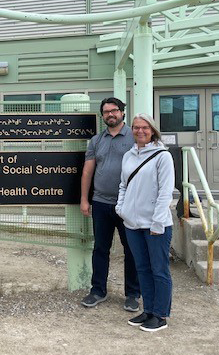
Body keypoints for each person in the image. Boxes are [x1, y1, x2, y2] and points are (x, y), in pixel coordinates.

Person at [79, 97, 141, 311]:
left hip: (128, 205)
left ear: (122, 112)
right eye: (106, 112)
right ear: (102, 115)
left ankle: (133, 294)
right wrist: (84, 199)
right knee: (100, 249)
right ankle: (97, 291)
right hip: (101, 203)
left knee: (132, 250)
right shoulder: (97, 141)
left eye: (114, 111)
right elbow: (88, 171)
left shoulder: (136, 136)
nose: (110, 115)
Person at [116, 113, 175, 332]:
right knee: (142, 268)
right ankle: (148, 310)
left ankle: (160, 315)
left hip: (155, 225)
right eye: (136, 127)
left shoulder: (162, 156)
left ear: (152, 130)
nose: (140, 131)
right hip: (132, 223)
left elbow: (165, 192)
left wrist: (158, 222)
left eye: (145, 127)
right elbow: (123, 185)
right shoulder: (129, 155)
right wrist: (121, 209)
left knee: (159, 270)